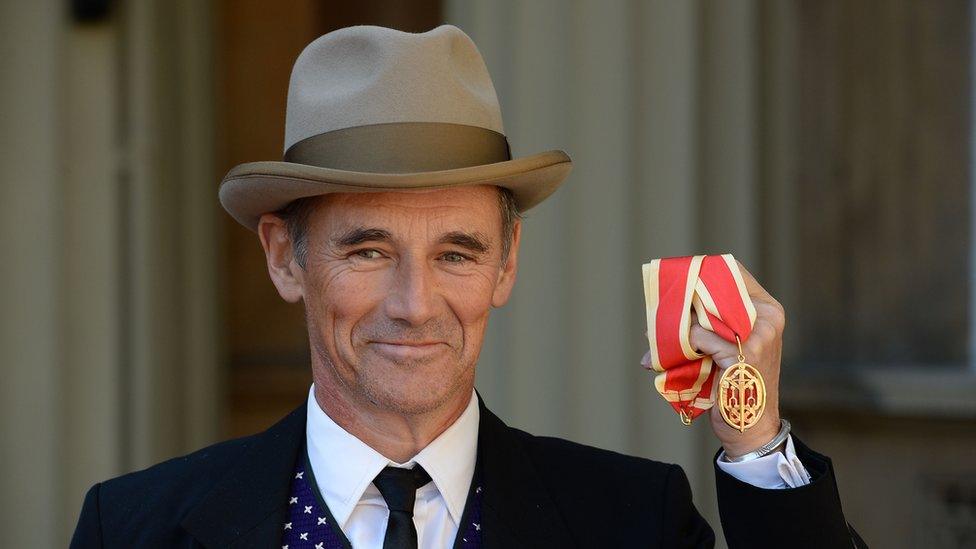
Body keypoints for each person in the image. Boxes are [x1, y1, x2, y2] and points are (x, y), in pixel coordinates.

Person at [71, 24, 866, 548]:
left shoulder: (631, 519)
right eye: (370, 251)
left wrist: (756, 440)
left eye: (456, 253)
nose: (415, 304)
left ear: (507, 262)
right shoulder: (134, 527)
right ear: (284, 258)